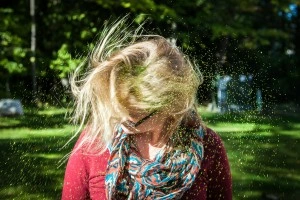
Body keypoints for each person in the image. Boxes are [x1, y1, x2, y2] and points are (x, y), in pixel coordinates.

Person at [62, 18, 232, 200]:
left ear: (170, 105)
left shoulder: (208, 146)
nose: (118, 118)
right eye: (116, 107)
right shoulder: (94, 142)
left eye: (133, 113)